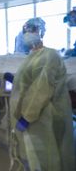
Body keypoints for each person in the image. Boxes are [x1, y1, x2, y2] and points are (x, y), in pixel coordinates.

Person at [9, 23, 75, 170]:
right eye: (25, 31)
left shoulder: (49, 55)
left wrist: (27, 116)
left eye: (32, 30)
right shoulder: (30, 57)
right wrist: (13, 80)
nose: (28, 34)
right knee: (35, 159)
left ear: (41, 32)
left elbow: (42, 88)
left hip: (46, 115)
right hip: (35, 116)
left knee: (49, 158)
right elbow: (29, 83)